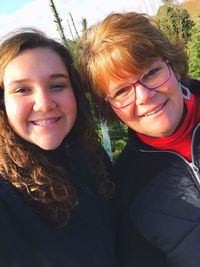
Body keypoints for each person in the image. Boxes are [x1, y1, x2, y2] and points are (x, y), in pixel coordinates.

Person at [79, 11, 200, 267]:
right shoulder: (126, 190)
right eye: (122, 91)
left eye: (151, 73)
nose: (144, 96)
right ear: (108, 107)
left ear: (173, 67)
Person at [0, 28, 117, 267]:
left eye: (57, 85)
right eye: (22, 89)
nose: (44, 104)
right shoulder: (7, 195)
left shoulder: (91, 157)